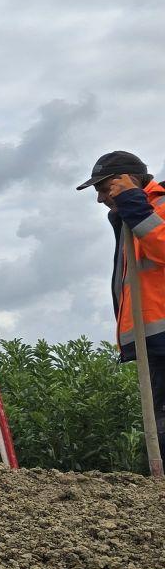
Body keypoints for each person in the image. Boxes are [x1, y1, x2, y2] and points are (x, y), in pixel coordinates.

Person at [80, 150, 165, 430]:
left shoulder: (158, 204)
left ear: (128, 180)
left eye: (104, 188)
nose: (100, 198)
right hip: (155, 341)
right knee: (159, 425)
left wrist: (133, 204)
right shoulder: (130, 213)